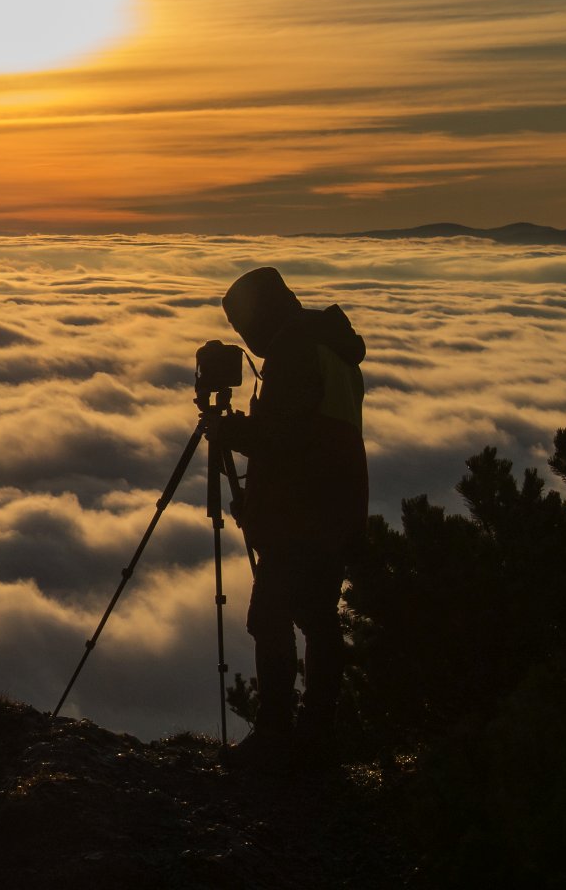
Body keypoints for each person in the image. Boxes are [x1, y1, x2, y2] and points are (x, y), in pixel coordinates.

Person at [215, 267, 368, 765]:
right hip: (336, 506)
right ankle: (317, 731)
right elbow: (309, 433)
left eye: (244, 326)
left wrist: (231, 433)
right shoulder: (329, 347)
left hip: (304, 512)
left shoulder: (296, 353)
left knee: (271, 616)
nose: (246, 338)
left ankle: (278, 733)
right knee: (318, 618)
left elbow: (283, 439)